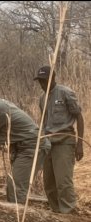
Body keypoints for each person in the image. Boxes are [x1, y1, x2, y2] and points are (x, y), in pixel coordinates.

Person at [34, 65, 84, 213]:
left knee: (63, 182)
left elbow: (79, 117)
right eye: (40, 81)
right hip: (48, 144)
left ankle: (68, 214)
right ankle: (57, 215)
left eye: (44, 81)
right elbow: (44, 122)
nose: (42, 84)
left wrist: (79, 144)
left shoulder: (66, 93)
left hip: (65, 142)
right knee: (49, 184)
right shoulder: (42, 99)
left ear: (52, 78)